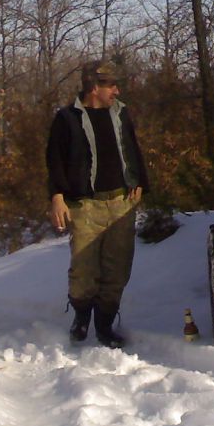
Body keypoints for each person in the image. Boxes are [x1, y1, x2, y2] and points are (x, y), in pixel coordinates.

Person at [46, 60, 149, 348]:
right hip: (85, 206)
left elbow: (133, 148)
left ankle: (105, 326)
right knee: (84, 270)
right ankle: (81, 317)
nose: (117, 91)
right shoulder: (67, 119)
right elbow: (54, 160)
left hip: (121, 202)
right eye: (111, 85)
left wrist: (140, 181)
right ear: (94, 87)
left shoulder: (121, 113)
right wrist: (57, 197)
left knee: (117, 269)